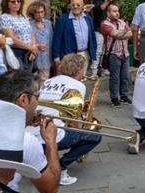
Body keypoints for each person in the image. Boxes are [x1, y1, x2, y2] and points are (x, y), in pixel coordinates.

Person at [38, 54, 101, 184]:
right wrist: (81, 131)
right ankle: (61, 167)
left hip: (34, 134)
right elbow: (73, 121)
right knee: (95, 137)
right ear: (79, 69)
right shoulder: (78, 86)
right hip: (52, 136)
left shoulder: (48, 81)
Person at [52, 0, 99, 75]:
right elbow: (56, 41)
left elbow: (92, 38)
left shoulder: (88, 19)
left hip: (84, 54)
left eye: (78, 5)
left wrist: (92, 55)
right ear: (70, 6)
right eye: (73, 5)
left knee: (80, 79)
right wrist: (56, 58)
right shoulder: (62, 20)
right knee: (67, 80)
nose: (75, 7)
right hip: (68, 56)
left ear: (83, 5)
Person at [101, 3, 133, 106]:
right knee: (114, 78)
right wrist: (124, 32)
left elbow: (131, 34)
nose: (117, 13)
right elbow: (116, 35)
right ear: (108, 12)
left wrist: (122, 33)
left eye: (117, 11)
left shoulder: (122, 22)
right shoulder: (105, 24)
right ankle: (114, 98)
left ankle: (123, 95)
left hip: (125, 53)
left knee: (125, 76)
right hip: (113, 54)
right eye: (114, 11)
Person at [0, 0, 38, 71]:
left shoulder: (23, 17)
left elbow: (31, 34)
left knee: (28, 79)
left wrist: (33, 47)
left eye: (18, 1)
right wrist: (31, 48)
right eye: (13, 2)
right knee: (18, 80)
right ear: (6, 3)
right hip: (16, 53)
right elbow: (11, 38)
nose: (16, 3)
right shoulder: (5, 17)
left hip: (29, 53)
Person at [91, 0, 116, 76]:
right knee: (98, 51)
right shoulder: (97, 1)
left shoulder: (113, 2)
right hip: (99, 29)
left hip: (110, 30)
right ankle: (94, 71)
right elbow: (99, 10)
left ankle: (103, 68)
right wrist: (107, 2)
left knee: (107, 50)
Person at [28, 0, 54, 78]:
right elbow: (26, 40)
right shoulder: (28, 24)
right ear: (33, 13)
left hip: (46, 58)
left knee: (45, 81)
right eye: (37, 12)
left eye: (42, 12)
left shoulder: (48, 23)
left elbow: (51, 40)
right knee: (33, 83)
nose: (40, 15)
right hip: (33, 58)